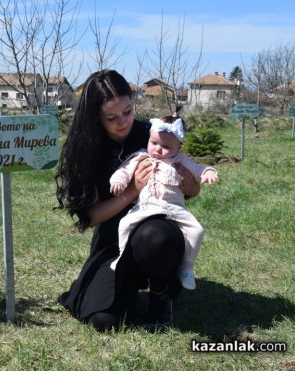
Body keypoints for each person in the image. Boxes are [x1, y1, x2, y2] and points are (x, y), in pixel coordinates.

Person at [54, 70, 201, 332]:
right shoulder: (86, 149)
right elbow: (93, 217)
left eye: (128, 111)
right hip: (114, 237)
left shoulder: (151, 134)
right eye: (111, 117)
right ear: (95, 118)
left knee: (153, 237)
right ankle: (125, 281)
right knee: (104, 321)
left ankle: (160, 294)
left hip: (157, 229)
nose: (123, 122)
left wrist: (191, 186)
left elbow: (185, 188)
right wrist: (132, 191)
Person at [109, 115, 218, 290]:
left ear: (179, 146)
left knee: (197, 230)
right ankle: (122, 256)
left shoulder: (180, 160)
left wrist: (208, 172)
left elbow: (199, 170)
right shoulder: (141, 157)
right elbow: (124, 170)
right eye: (154, 143)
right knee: (124, 223)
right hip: (146, 206)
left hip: (175, 208)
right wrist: (119, 181)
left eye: (166, 147)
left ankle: (186, 268)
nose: (158, 150)